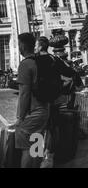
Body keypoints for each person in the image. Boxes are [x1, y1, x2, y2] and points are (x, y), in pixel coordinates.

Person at [34, 36, 77, 168]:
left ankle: (36, 156)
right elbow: (71, 73)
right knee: (52, 127)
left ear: (40, 46)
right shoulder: (55, 59)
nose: (34, 48)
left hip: (39, 101)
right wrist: (61, 86)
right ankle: (49, 156)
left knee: (38, 129)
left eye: (36, 45)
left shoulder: (34, 61)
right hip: (54, 99)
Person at [15, 33, 49, 168]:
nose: (19, 48)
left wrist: (20, 118)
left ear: (22, 45)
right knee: (37, 145)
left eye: (19, 45)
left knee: (27, 149)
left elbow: (24, 94)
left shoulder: (25, 64)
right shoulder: (40, 61)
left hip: (32, 113)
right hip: (44, 110)